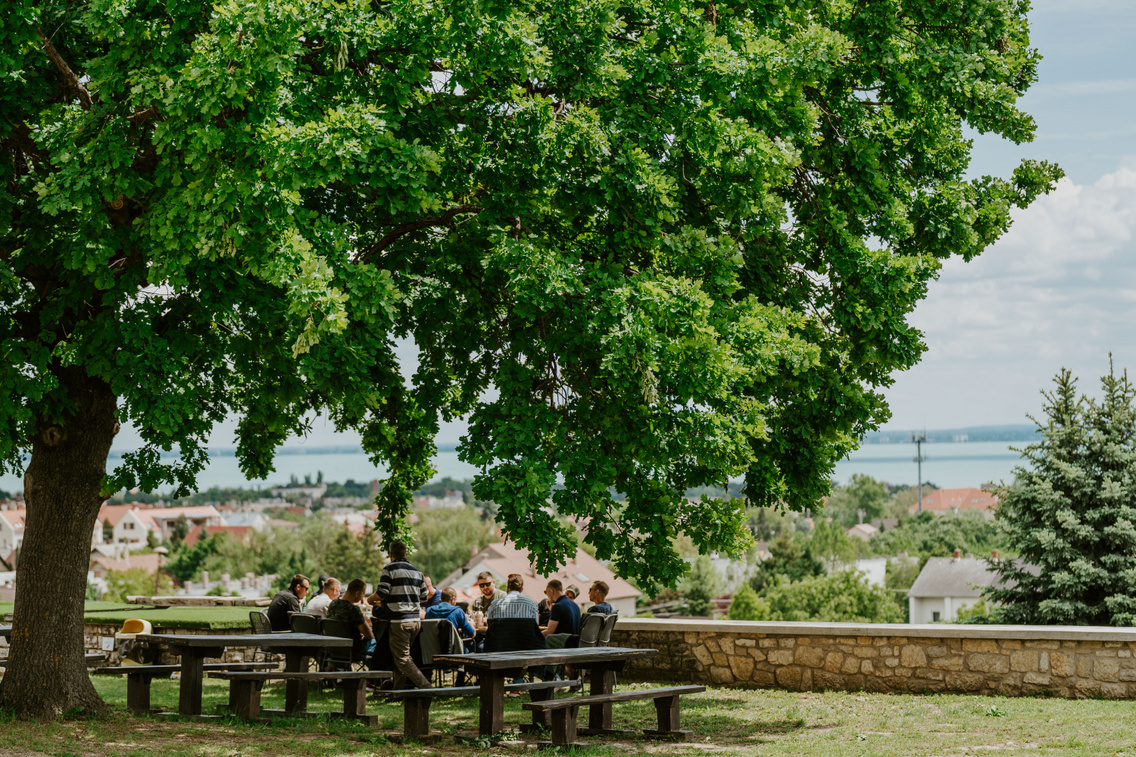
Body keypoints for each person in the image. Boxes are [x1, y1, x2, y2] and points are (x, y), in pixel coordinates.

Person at [375, 540, 432, 689]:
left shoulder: (389, 570)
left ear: (390, 554)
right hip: (415, 621)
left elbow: (382, 593)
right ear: (406, 554)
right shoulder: (417, 572)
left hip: (399, 621)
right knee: (400, 658)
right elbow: (424, 597)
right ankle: (397, 692)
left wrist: (370, 599)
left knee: (403, 659)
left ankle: (426, 686)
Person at [327, 578, 376, 658]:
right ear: (357, 593)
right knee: (375, 643)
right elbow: (369, 635)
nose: (362, 597)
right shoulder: (353, 609)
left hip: (332, 648)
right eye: (363, 594)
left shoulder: (333, 604)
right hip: (351, 649)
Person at [542, 579, 580, 649]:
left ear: (551, 591)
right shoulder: (575, 606)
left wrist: (535, 636)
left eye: (546, 592)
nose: (547, 596)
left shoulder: (558, 606)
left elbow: (549, 632)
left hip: (562, 646)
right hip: (574, 645)